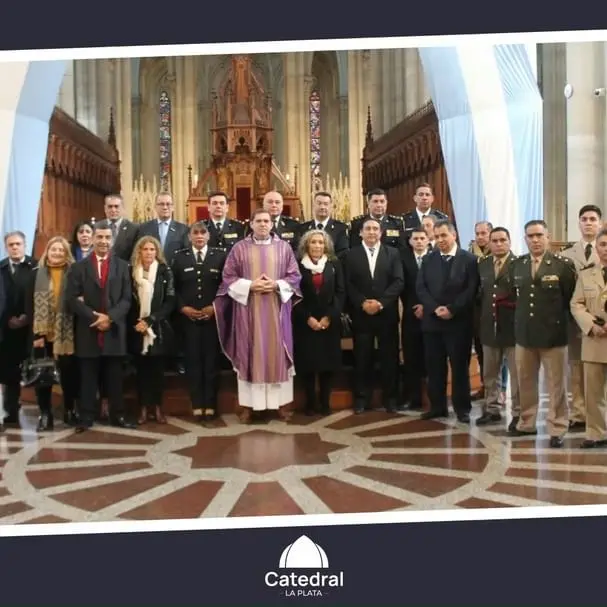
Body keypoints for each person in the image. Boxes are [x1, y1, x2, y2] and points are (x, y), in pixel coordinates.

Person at [214, 208, 302, 423]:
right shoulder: (239, 249)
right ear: (251, 223)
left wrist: (276, 284)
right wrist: (250, 285)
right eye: (258, 221)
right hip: (248, 311)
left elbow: (294, 276)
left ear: (272, 224)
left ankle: (279, 405)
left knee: (277, 355)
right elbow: (228, 277)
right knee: (248, 353)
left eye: (266, 221)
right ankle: (249, 407)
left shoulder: (284, 248)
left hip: (276, 311)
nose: (263, 224)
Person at [508, 220, 576, 448]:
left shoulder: (562, 265)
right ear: (525, 238)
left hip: (553, 335)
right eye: (530, 236)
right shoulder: (517, 265)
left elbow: (569, 300)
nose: (535, 240)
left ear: (547, 236)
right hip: (525, 335)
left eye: (539, 235)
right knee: (525, 382)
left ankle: (557, 427)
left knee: (557, 385)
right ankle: (527, 422)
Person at [65, 223, 135, 432]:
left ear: (112, 240)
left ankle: (118, 415)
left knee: (114, 378)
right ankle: (86, 417)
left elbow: (126, 299)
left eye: (107, 238)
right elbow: (72, 299)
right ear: (93, 239)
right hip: (88, 329)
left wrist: (110, 318)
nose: (104, 242)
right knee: (88, 377)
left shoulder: (123, 266)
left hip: (114, 330)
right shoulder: (79, 267)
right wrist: (94, 316)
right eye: (100, 237)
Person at [416, 219, 479, 423]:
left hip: (458, 322)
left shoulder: (468, 259)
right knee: (434, 367)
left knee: (459, 367)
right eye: (437, 236)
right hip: (433, 322)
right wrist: (435, 308)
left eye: (444, 235)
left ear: (454, 235)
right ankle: (437, 406)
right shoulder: (428, 259)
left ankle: (462, 408)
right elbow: (421, 288)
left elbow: (472, 289)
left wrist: (452, 309)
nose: (440, 240)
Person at [345, 217, 404, 413]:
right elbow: (348, 284)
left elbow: (398, 281)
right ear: (360, 232)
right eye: (367, 229)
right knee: (362, 358)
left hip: (386, 314)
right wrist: (362, 302)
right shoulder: (350, 255)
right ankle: (362, 398)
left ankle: (391, 399)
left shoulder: (393, 253)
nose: (371, 232)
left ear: (381, 233)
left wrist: (380, 303)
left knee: (389, 358)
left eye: (375, 229)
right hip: (361, 314)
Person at [172, 222, 228, 422]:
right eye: (195, 233)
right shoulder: (179, 257)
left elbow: (226, 286)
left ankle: (211, 405)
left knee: (212, 363)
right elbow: (173, 288)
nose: (199, 236)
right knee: (193, 363)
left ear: (208, 236)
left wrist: (214, 308)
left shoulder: (220, 256)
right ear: (189, 236)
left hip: (213, 320)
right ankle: (197, 404)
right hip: (188, 320)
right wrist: (183, 308)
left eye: (202, 233)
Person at [25, 236, 80, 431]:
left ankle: (69, 410)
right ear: (47, 251)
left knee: (69, 375)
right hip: (43, 333)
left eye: (61, 250)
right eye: (53, 249)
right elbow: (29, 307)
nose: (57, 253)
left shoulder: (74, 273)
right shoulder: (35, 274)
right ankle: (45, 414)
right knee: (44, 375)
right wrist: (37, 335)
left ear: (67, 253)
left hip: (68, 333)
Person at [292, 229, 345, 415]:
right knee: (308, 365)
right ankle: (310, 403)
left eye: (321, 243)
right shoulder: (297, 265)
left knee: (327, 365)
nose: (317, 246)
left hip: (328, 322)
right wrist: (308, 318)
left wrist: (328, 317)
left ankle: (325, 403)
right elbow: (293, 295)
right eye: (313, 242)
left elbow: (340, 292)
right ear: (306, 245)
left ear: (326, 246)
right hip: (305, 322)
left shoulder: (333, 264)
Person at [561, 204, 602, 432]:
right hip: (575, 320)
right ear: (579, 223)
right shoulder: (567, 255)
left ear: (600, 223)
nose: (588, 223)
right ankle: (578, 413)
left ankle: (600, 414)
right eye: (584, 219)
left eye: (593, 219)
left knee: (599, 371)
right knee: (576, 367)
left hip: (601, 320)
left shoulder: (604, 250)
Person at [475, 227, 520, 430]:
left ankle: (518, 413)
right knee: (489, 373)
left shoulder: (519, 264)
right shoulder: (483, 264)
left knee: (517, 375)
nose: (499, 244)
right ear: (489, 243)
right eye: (494, 240)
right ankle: (491, 409)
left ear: (510, 242)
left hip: (512, 328)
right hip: (489, 327)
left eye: (503, 240)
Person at [129, 235, 176, 425]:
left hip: (158, 329)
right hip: (136, 328)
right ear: (139, 252)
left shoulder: (165, 272)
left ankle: (156, 407)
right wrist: (138, 322)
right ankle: (142, 408)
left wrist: (150, 320)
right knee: (141, 372)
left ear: (157, 252)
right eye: (145, 249)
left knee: (157, 372)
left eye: (152, 249)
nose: (149, 252)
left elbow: (170, 300)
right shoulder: (131, 273)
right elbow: (126, 300)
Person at [570, 226, 607, 448]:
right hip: (595, 340)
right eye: (602, 244)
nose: (606, 249)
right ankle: (596, 433)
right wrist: (591, 326)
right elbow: (576, 304)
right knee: (593, 393)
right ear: (597, 247)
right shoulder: (586, 274)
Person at [0, 231, 37, 426]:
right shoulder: (1, 268)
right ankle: (11, 411)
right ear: (6, 247)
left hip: (31, 328)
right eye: (11, 244)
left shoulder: (35, 266)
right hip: (6, 330)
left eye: (18, 244)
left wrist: (25, 318)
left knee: (37, 370)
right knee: (9, 373)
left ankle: (44, 413)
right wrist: (9, 320)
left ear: (24, 245)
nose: (15, 247)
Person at [400, 227, 430, 410]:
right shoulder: (402, 258)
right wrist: (414, 306)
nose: (419, 241)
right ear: (410, 241)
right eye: (415, 238)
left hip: (431, 313)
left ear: (428, 240)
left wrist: (426, 306)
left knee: (431, 356)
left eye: (422, 238)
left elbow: (438, 284)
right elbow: (401, 284)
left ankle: (432, 397)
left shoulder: (435, 257)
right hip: (410, 313)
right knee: (411, 357)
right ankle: (413, 398)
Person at [298, 191, 349, 261]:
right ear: (313, 205)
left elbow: (342, 252)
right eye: (319, 203)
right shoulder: (303, 228)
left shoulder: (341, 228)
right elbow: (300, 251)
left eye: (326, 204)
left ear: (331, 206)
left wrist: (323, 263)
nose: (322, 207)